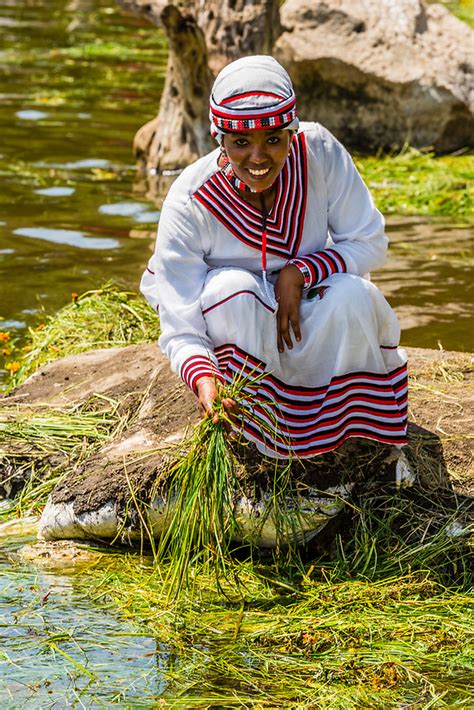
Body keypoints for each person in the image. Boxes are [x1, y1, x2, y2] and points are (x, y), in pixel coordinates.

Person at [141, 55, 408, 460]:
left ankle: (351, 429)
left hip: (306, 304)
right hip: (232, 323)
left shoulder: (318, 153)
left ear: (291, 134)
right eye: (241, 143)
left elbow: (370, 241)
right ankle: (256, 428)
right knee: (232, 288)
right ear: (221, 140)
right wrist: (204, 379)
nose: (258, 158)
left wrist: (300, 271)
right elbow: (181, 320)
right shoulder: (190, 198)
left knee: (353, 295)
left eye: (273, 140)